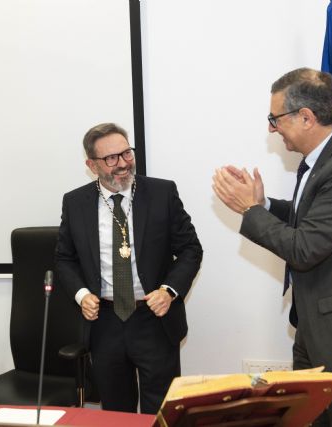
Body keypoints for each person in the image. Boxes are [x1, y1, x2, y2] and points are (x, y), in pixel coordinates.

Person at [212, 68, 332, 426]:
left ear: (306, 117)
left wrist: (249, 211)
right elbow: (311, 221)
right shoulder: (328, 158)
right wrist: (264, 205)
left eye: (275, 118)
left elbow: (304, 248)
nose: (271, 128)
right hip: (319, 328)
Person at [55, 123, 202, 414]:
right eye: (111, 158)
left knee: (161, 411)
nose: (122, 164)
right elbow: (64, 258)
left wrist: (169, 291)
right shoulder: (75, 203)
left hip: (154, 317)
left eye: (126, 153)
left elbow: (190, 249)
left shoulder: (162, 193)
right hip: (104, 322)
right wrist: (81, 294)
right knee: (116, 411)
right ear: (91, 165)